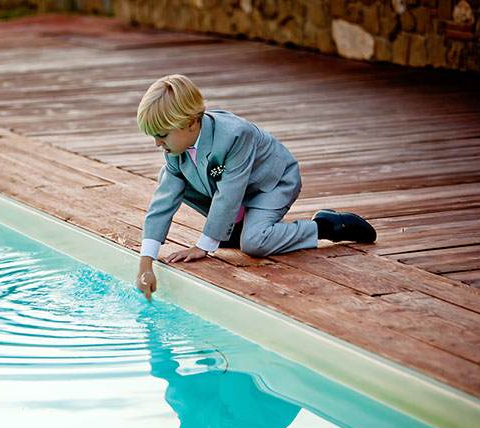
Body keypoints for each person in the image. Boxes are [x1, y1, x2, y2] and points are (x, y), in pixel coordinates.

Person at [135, 74, 376, 301]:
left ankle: (325, 226)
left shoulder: (234, 135)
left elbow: (229, 192)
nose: (157, 143)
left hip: (271, 184)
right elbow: (163, 201)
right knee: (168, 179)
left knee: (254, 244)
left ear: (189, 123)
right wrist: (146, 263)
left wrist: (204, 246)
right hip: (237, 192)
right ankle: (231, 231)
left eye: (162, 135)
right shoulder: (174, 150)